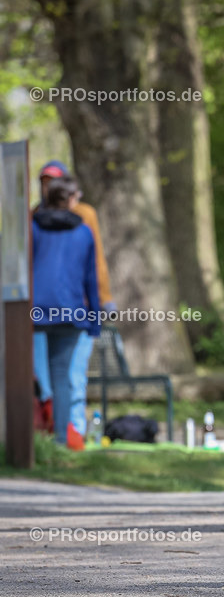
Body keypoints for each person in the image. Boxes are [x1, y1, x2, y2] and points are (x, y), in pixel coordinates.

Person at [33, 160, 114, 449]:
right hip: (71, 313)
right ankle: (60, 440)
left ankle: (47, 436)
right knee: (63, 377)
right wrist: (95, 319)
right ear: (69, 199)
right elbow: (90, 277)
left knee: (43, 379)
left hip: (35, 313)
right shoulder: (82, 232)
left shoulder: (33, 227)